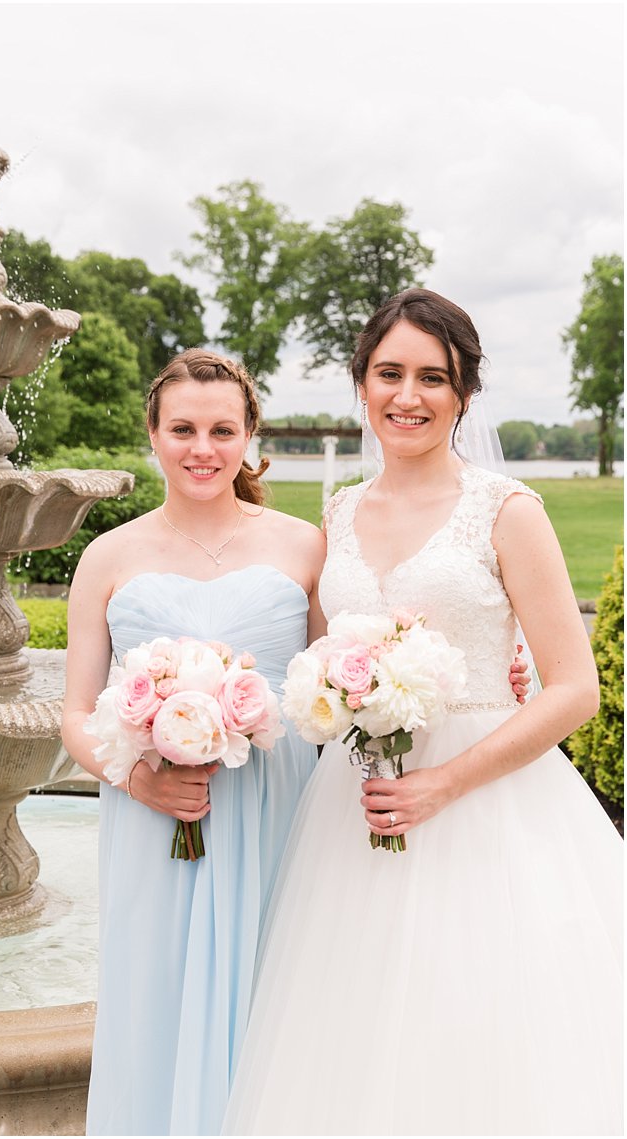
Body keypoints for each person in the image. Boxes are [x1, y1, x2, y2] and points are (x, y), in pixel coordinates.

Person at [223, 290, 623, 1134]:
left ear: (464, 395)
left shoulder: (507, 510)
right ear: (361, 386)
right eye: (389, 373)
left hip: (488, 799)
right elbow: (324, 663)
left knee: (479, 1017)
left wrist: (443, 781)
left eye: (433, 377)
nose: (409, 395)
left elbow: (572, 687)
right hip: (358, 803)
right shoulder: (337, 512)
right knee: (354, 1028)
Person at [61, 349, 327, 1135]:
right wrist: (139, 779)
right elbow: (76, 713)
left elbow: (340, 690)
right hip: (153, 811)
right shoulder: (107, 557)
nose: (201, 448)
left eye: (221, 429)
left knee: (273, 987)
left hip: (278, 806)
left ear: (249, 436)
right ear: (152, 434)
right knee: (155, 989)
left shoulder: (305, 546)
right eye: (182, 428)